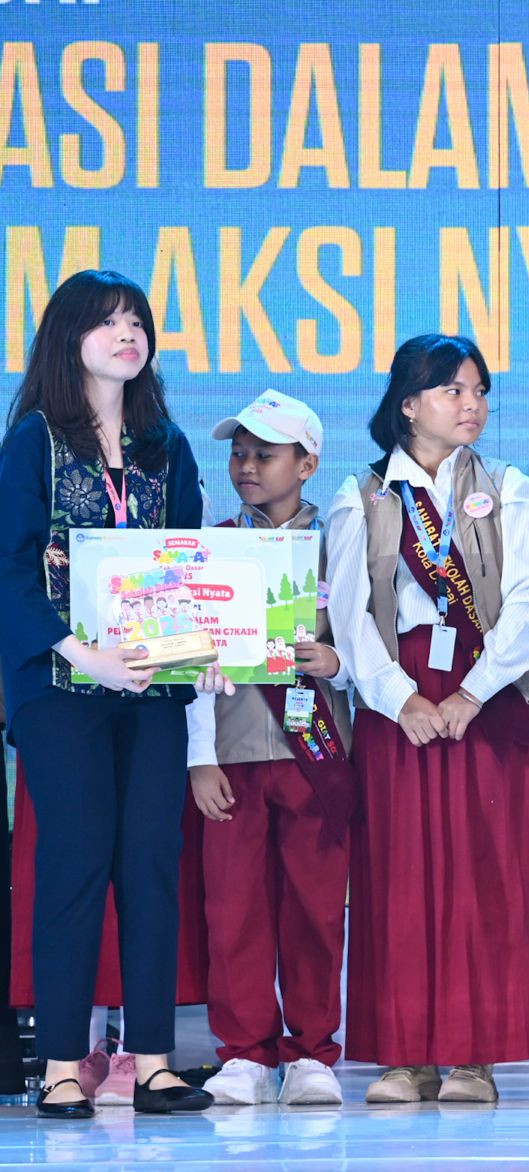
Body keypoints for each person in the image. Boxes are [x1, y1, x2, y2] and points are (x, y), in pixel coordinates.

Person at [0, 269, 216, 1116]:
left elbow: (195, 566)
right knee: (76, 861)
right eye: (109, 322)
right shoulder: (35, 442)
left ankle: (152, 1060)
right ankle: (60, 1065)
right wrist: (76, 651)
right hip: (62, 689)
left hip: (153, 690)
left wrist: (207, 647)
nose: (128, 334)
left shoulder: (169, 445)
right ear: (69, 337)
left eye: (138, 322)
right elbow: (12, 569)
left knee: (152, 865)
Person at [325, 334, 529, 1105]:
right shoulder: (363, 494)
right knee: (400, 875)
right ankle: (405, 1055)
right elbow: (350, 614)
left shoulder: (512, 486)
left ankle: (475, 1055)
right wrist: (399, 700)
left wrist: (473, 691)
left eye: (479, 391)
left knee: (487, 873)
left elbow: (528, 603)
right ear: (408, 403)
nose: (473, 406)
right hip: (403, 701)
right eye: (454, 391)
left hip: (486, 699)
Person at [185, 389, 354, 1106]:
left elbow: (371, 642)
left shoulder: (343, 542)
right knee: (235, 909)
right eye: (239, 452)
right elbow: (188, 660)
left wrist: (335, 662)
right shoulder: (211, 545)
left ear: (308, 462)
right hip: (231, 756)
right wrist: (199, 757)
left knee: (316, 909)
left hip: (317, 751)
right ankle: (246, 1052)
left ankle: (314, 1051)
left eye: (266, 453)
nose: (247, 466)